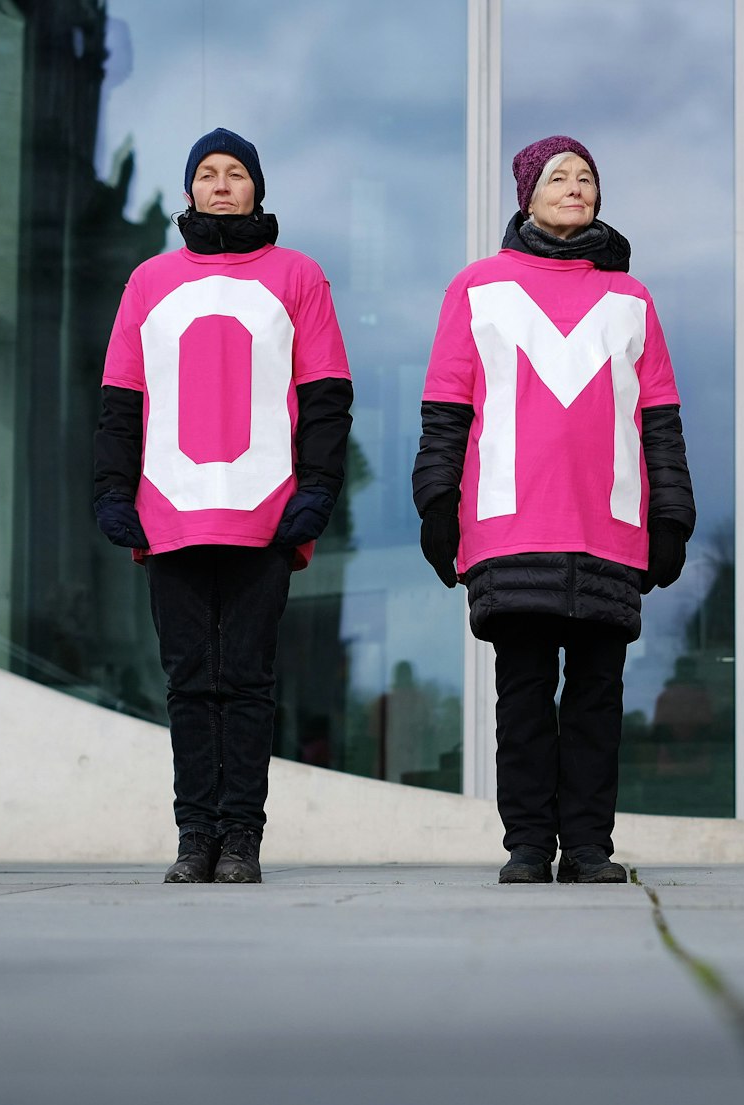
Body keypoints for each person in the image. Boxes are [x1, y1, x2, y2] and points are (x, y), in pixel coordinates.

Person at [413, 135, 695, 885]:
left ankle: (591, 847)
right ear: (527, 195)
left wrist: (673, 514)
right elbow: (445, 411)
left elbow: (660, 420)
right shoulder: (477, 287)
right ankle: (530, 845)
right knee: (526, 692)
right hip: (511, 524)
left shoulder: (631, 298)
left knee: (599, 697)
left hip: (609, 524)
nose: (575, 187)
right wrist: (437, 500)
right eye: (558, 177)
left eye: (586, 178)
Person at [93, 128, 353, 884]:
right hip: (171, 510)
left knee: (246, 678)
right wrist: (113, 490)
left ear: (257, 189)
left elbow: (326, 396)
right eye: (206, 173)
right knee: (187, 681)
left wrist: (317, 491)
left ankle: (240, 836)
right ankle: (192, 835)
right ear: (188, 191)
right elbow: (119, 400)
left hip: (263, 514)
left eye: (235, 173)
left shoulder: (298, 276)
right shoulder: (148, 280)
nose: (220, 184)